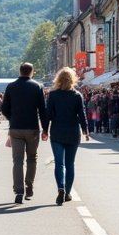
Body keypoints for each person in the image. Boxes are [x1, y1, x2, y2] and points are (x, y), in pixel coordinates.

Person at [1, 62, 47, 204]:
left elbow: (4, 108)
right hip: (32, 127)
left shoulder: (11, 86)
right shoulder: (37, 86)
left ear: (20, 71)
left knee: (17, 160)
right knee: (32, 158)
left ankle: (19, 190)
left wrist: (11, 118)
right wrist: (45, 129)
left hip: (16, 128)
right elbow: (43, 109)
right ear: (31, 72)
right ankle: (29, 185)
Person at [43, 67, 90, 205]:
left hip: (57, 131)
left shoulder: (53, 95)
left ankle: (61, 188)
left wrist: (45, 130)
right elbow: (82, 115)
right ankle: (68, 192)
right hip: (73, 132)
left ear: (58, 79)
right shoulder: (77, 96)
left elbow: (48, 115)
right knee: (70, 164)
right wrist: (86, 131)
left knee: (59, 163)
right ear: (72, 79)